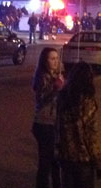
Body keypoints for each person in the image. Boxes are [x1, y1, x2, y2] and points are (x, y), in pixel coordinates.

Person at [56, 61, 101, 187]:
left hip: (66, 157)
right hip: (83, 159)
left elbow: (58, 128)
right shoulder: (87, 102)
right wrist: (98, 162)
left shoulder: (63, 98)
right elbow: (90, 135)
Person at [32, 47, 63, 188]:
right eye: (52, 58)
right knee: (46, 162)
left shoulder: (57, 76)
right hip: (44, 123)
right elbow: (42, 99)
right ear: (45, 61)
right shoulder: (42, 77)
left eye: (57, 58)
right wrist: (55, 88)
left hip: (55, 123)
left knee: (56, 161)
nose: (55, 61)